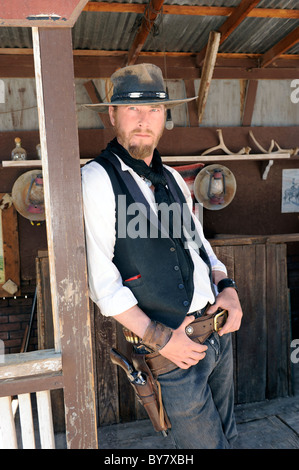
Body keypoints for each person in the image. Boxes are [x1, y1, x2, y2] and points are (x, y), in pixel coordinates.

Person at [81, 63, 243, 449]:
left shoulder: (170, 177)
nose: (143, 120)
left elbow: (199, 245)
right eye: (132, 109)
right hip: (170, 350)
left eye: (154, 110)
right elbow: (101, 284)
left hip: (216, 330)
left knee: (231, 439)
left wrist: (228, 288)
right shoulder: (96, 180)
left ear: (165, 117)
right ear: (113, 114)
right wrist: (160, 339)